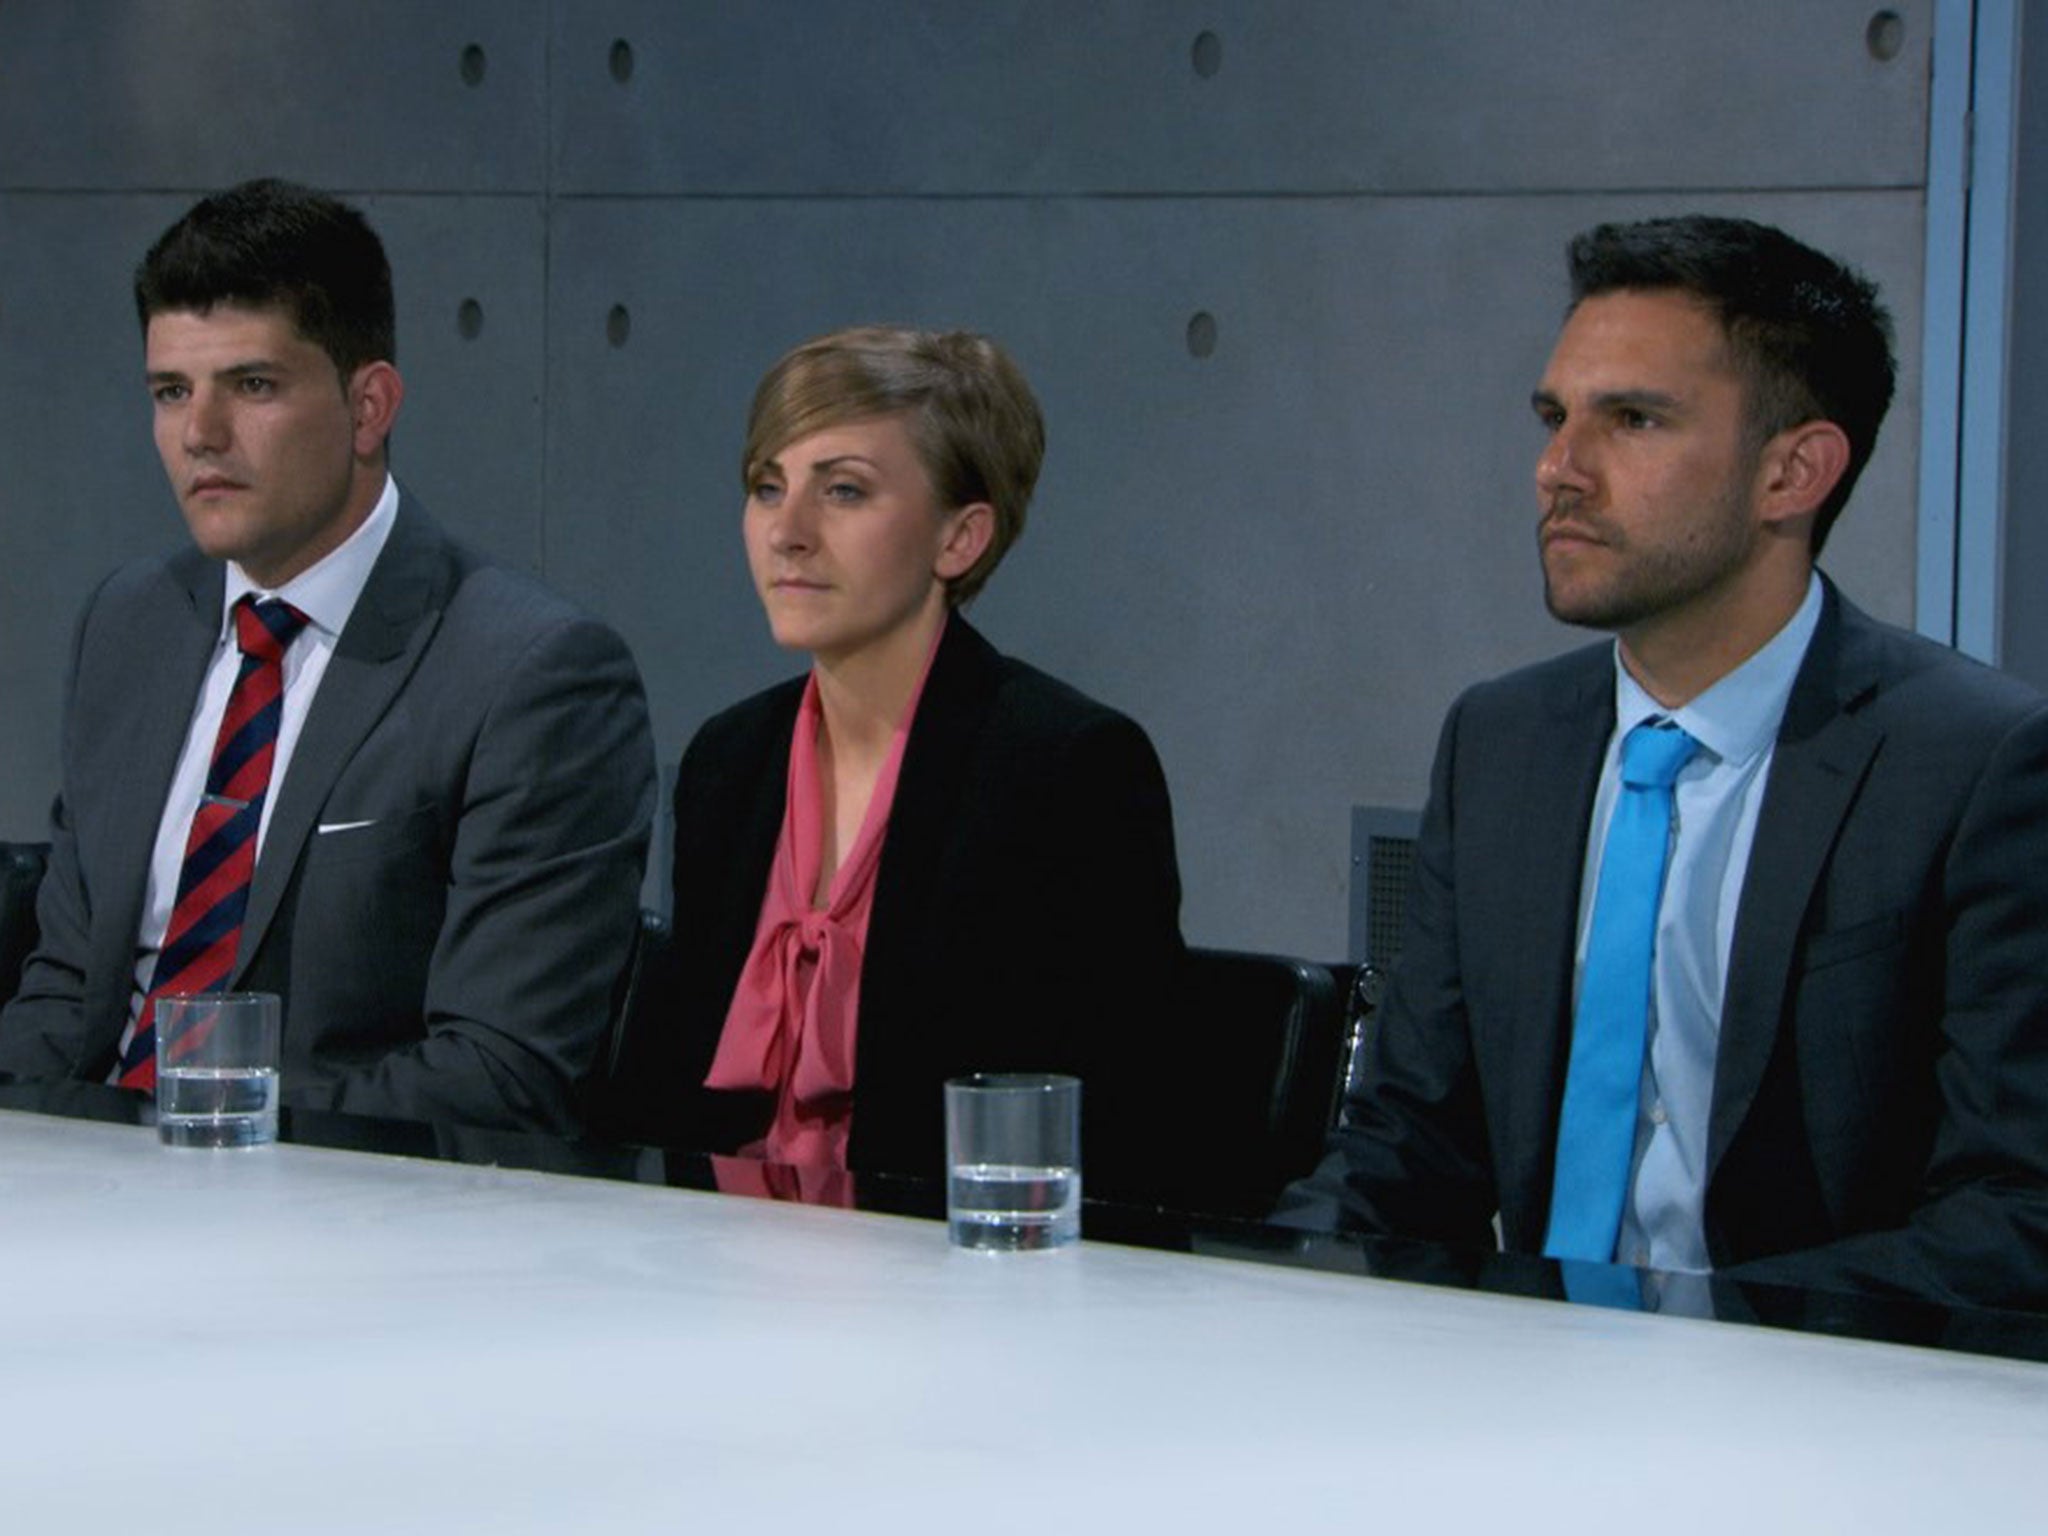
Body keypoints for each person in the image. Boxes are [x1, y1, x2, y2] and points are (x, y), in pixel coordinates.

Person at [1283, 215, 2048, 1311]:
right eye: (1554, 418)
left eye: (1631, 421)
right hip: (1513, 1397)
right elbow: (1406, 1145)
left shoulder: (1978, 765)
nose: (1558, 471)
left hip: (1817, 1414)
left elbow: (2011, 1223)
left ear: (1792, 472)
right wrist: (1260, 1300)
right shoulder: (1499, 745)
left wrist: (1687, 1342)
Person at [0, 179, 656, 1133]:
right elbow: (66, 993)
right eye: (171, 391)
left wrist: (200, 1141)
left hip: (342, 1214)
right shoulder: (129, 622)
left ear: (368, 406)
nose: (199, 434)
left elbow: (499, 1073)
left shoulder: (532, 671)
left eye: (252, 386)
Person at [608, 325, 1184, 1186]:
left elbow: (1122, 1135)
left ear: (961, 539)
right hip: (715, 1274)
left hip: (951, 1289)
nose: (787, 532)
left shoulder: (1066, 768)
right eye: (768, 488)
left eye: (842, 491)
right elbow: (673, 1104)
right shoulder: (730, 760)